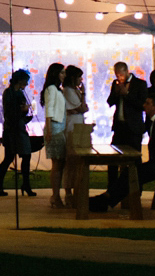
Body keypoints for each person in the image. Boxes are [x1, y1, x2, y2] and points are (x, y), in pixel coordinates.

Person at [88, 94, 155, 211]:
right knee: (129, 172)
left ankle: (106, 200)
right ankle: (107, 199)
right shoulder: (154, 121)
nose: (144, 106)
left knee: (133, 173)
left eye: (148, 103)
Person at [0, 69, 37, 197]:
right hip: (12, 130)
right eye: (25, 82)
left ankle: (20, 184)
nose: (26, 84)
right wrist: (22, 109)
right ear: (20, 80)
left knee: (23, 156)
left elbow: (20, 112)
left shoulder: (18, 93)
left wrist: (25, 112)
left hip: (19, 128)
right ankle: (2, 184)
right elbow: (9, 112)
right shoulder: (9, 93)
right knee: (10, 157)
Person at [106, 62, 148, 184]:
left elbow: (142, 105)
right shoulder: (115, 83)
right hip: (119, 127)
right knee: (113, 159)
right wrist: (116, 93)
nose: (119, 77)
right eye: (116, 75)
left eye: (120, 74)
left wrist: (127, 94)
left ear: (126, 71)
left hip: (133, 128)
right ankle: (112, 188)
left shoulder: (140, 84)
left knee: (134, 159)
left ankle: (136, 189)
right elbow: (110, 102)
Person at [41, 63, 68, 208]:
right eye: (62, 73)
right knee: (57, 164)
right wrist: (50, 129)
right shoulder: (51, 89)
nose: (64, 76)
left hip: (59, 127)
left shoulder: (58, 90)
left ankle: (56, 195)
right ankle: (55, 195)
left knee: (59, 163)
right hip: (55, 127)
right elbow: (49, 109)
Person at [61, 65, 88, 205]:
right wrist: (82, 97)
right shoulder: (68, 91)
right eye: (79, 77)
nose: (81, 80)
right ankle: (69, 192)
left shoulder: (75, 91)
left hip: (78, 126)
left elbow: (84, 108)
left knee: (78, 161)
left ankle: (76, 190)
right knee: (70, 160)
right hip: (72, 128)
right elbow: (82, 107)